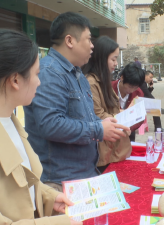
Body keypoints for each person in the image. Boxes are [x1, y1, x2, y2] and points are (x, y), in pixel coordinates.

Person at [0, 29, 78, 224]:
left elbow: (20, 186)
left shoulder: (9, 120)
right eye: (36, 74)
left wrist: (49, 197)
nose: (39, 82)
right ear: (15, 80)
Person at [24, 12, 129, 191]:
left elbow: (84, 117)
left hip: (83, 174)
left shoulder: (77, 74)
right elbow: (51, 124)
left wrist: (103, 124)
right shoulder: (49, 72)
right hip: (60, 180)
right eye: (88, 39)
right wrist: (98, 129)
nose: (92, 46)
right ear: (70, 41)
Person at [82, 36, 132, 172]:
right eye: (113, 59)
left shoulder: (104, 80)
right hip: (104, 149)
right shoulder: (91, 82)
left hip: (113, 147)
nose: (116, 63)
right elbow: (97, 114)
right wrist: (120, 116)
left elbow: (112, 107)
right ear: (101, 58)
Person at [112, 62, 145, 141]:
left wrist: (129, 127)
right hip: (111, 130)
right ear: (122, 77)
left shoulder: (138, 93)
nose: (132, 90)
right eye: (130, 86)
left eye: (135, 87)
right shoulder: (109, 88)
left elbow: (140, 117)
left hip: (128, 131)